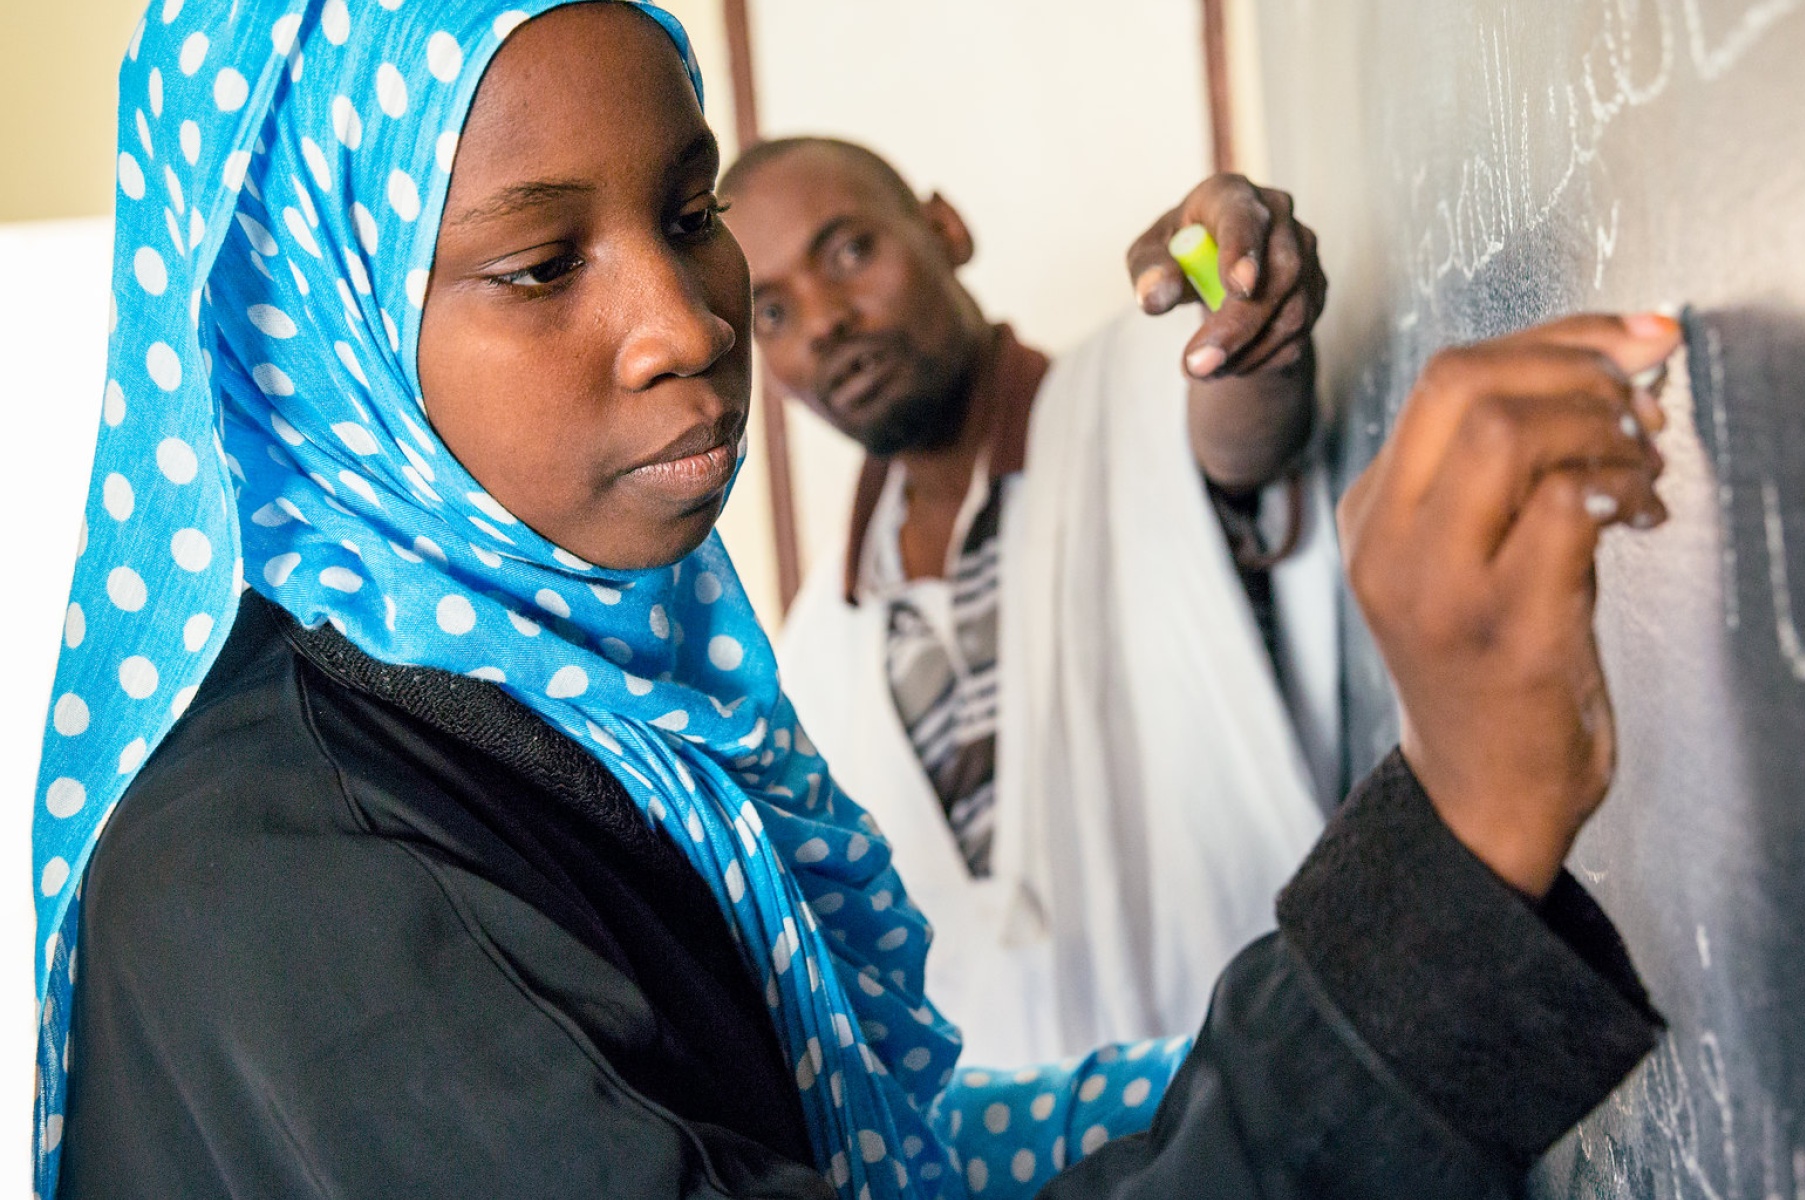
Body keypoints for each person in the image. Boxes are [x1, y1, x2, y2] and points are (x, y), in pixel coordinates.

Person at [37, 2, 1682, 1199]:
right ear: (313, 346)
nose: (692, 319)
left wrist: (1368, 998)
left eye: (686, 216)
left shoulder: (591, 720)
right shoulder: (289, 875)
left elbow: (885, 1159)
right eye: (543, 267)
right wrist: (1455, 851)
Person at [719, 140, 1338, 1065]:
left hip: (1288, 1096)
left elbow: (1243, 420)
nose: (826, 323)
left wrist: (1244, 313)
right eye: (771, 310)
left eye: (849, 252)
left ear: (945, 230)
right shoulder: (811, 656)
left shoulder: (1136, 389)